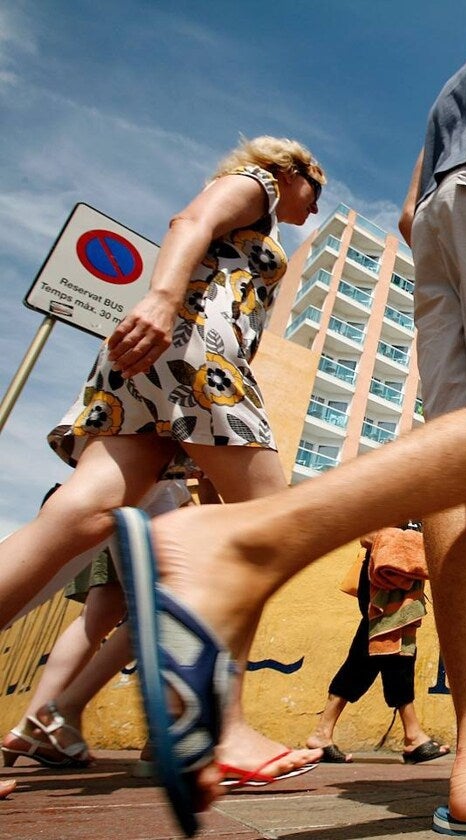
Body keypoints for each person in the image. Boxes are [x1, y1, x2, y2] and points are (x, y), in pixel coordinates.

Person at [107, 9, 466, 836]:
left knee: (461, 479)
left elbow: (407, 213)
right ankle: (246, 541)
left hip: (437, 229)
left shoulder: (446, 97)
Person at [0, 136, 327, 788]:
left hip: (162, 363)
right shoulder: (258, 184)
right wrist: (160, 297)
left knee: (80, 512)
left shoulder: (261, 206)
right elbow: (191, 221)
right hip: (198, 353)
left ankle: (199, 715)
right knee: (271, 530)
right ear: (296, 174)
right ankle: (219, 725)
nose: (311, 210)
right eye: (313, 195)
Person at [3, 480, 189, 769]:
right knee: (168, 600)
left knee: (103, 612)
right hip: (147, 485)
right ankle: (59, 714)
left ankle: (37, 723)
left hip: (120, 488)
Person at [306, 529, 450, 765]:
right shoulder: (397, 496)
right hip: (384, 583)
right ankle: (413, 736)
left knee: (368, 657)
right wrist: (415, 544)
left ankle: (323, 732)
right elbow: (367, 535)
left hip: (399, 582)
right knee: (395, 652)